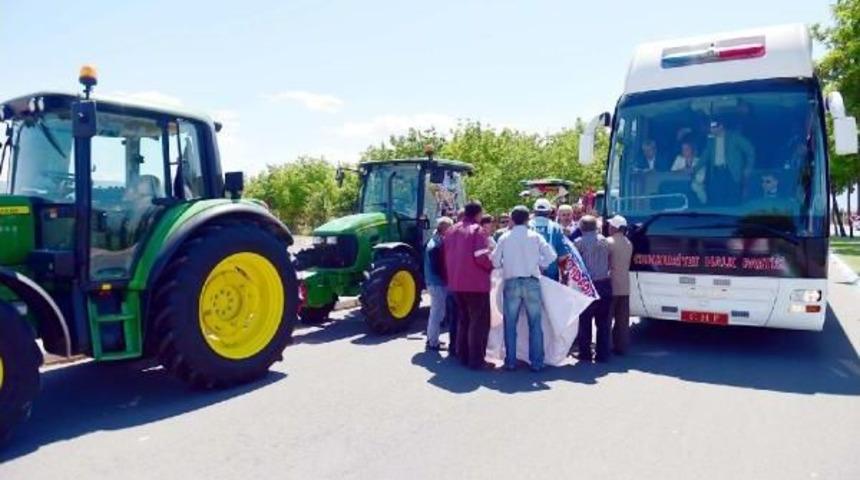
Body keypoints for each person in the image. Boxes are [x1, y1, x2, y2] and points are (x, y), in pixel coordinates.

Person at [492, 206, 557, 372]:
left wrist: (505, 264)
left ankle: (511, 361)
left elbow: (495, 261)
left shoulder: (505, 237)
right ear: (528, 219)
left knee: (510, 324)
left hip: (512, 281)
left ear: (512, 219)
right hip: (531, 281)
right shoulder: (535, 236)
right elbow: (552, 255)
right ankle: (537, 362)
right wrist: (540, 264)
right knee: (535, 323)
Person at [444, 201, 495, 370]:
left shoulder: (451, 230)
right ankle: (476, 360)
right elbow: (481, 257)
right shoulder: (477, 230)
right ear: (478, 214)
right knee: (478, 322)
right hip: (476, 283)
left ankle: (463, 355)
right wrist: (492, 266)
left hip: (456, 283)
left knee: (463, 320)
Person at [574, 215, 613, 362]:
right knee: (603, 322)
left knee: (585, 321)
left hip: (587, 286)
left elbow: (574, 264)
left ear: (581, 228)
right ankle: (603, 354)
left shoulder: (578, 243)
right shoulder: (604, 241)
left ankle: (585, 353)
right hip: (604, 284)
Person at [702, 119, 755, 201]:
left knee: (732, 198)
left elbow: (750, 150)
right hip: (716, 173)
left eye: (713, 127)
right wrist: (694, 169)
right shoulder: (711, 141)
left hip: (731, 172)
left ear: (721, 126)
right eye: (710, 127)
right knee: (717, 199)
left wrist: (748, 168)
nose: (711, 129)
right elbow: (704, 157)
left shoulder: (734, 137)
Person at [424, 216, 453, 351]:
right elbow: (437, 268)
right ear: (444, 228)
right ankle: (433, 342)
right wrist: (447, 278)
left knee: (436, 312)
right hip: (437, 283)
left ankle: (432, 339)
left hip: (433, 282)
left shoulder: (434, 241)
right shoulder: (436, 245)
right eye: (450, 228)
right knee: (437, 313)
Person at [606, 215, 633, 355]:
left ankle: (606, 346)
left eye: (610, 225)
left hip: (611, 284)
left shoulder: (608, 242)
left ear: (614, 227)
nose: (608, 227)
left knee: (607, 318)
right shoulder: (629, 243)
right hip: (625, 285)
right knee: (622, 320)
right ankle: (621, 347)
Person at [529, 198, 570, 282]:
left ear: (534, 211)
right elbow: (562, 256)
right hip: (551, 274)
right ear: (549, 212)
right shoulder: (555, 228)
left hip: (530, 274)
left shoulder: (527, 226)